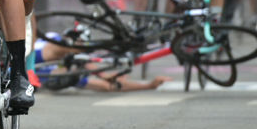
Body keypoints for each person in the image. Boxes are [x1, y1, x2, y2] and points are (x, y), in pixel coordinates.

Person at [32, 37, 170, 92]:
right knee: (56, 52)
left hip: (54, 61)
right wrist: (105, 75)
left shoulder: (70, 73)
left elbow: (108, 86)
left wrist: (149, 86)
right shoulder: (53, 54)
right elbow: (106, 84)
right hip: (38, 56)